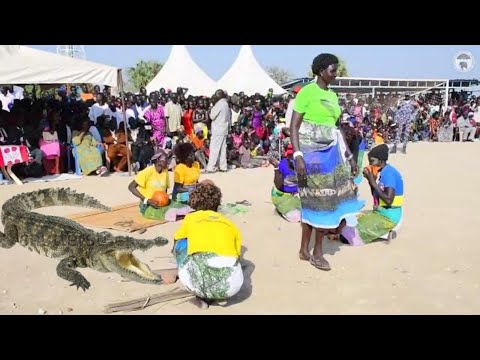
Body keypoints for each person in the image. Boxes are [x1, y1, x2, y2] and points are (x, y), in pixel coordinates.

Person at [290, 53, 364, 271]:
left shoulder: (333, 96)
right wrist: (298, 155)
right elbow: (294, 126)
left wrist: (349, 156)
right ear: (321, 71)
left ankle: (305, 249)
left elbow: (336, 128)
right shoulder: (306, 93)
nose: (335, 74)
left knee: (322, 201)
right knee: (321, 202)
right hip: (311, 155)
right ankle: (317, 252)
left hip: (332, 154)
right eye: (333, 70)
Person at [172, 181, 244, 309]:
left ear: (193, 204)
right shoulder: (229, 224)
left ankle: (200, 297)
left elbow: (177, 239)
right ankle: (221, 296)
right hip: (231, 287)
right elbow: (237, 256)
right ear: (218, 204)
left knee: (181, 243)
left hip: (198, 283)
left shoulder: (190, 219)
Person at [340, 144, 404, 245]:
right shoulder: (382, 172)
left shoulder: (389, 174)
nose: (370, 164)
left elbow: (388, 200)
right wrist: (371, 181)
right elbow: (376, 197)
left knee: (347, 236)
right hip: (381, 212)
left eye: (372, 161)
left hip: (388, 217)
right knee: (346, 224)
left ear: (381, 161)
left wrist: (373, 182)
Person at [128, 150, 191, 222]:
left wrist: (166, 201)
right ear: (158, 160)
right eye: (165, 159)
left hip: (163, 201)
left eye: (168, 159)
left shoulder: (165, 171)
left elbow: (165, 189)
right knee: (163, 212)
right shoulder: (147, 171)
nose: (167, 161)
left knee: (183, 207)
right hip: (148, 204)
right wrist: (147, 200)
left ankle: (173, 213)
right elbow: (131, 187)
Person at [269, 144, 301, 223]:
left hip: (297, 195)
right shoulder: (282, 165)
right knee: (297, 217)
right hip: (283, 196)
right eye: (290, 155)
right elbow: (278, 186)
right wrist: (276, 168)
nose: (292, 158)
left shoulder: (302, 164)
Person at [206, 90, 231, 173]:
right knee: (222, 149)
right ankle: (223, 166)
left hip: (218, 129)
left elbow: (212, 116)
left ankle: (211, 167)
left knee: (214, 148)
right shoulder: (226, 104)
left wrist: (211, 108)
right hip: (224, 129)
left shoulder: (219, 104)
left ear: (219, 96)